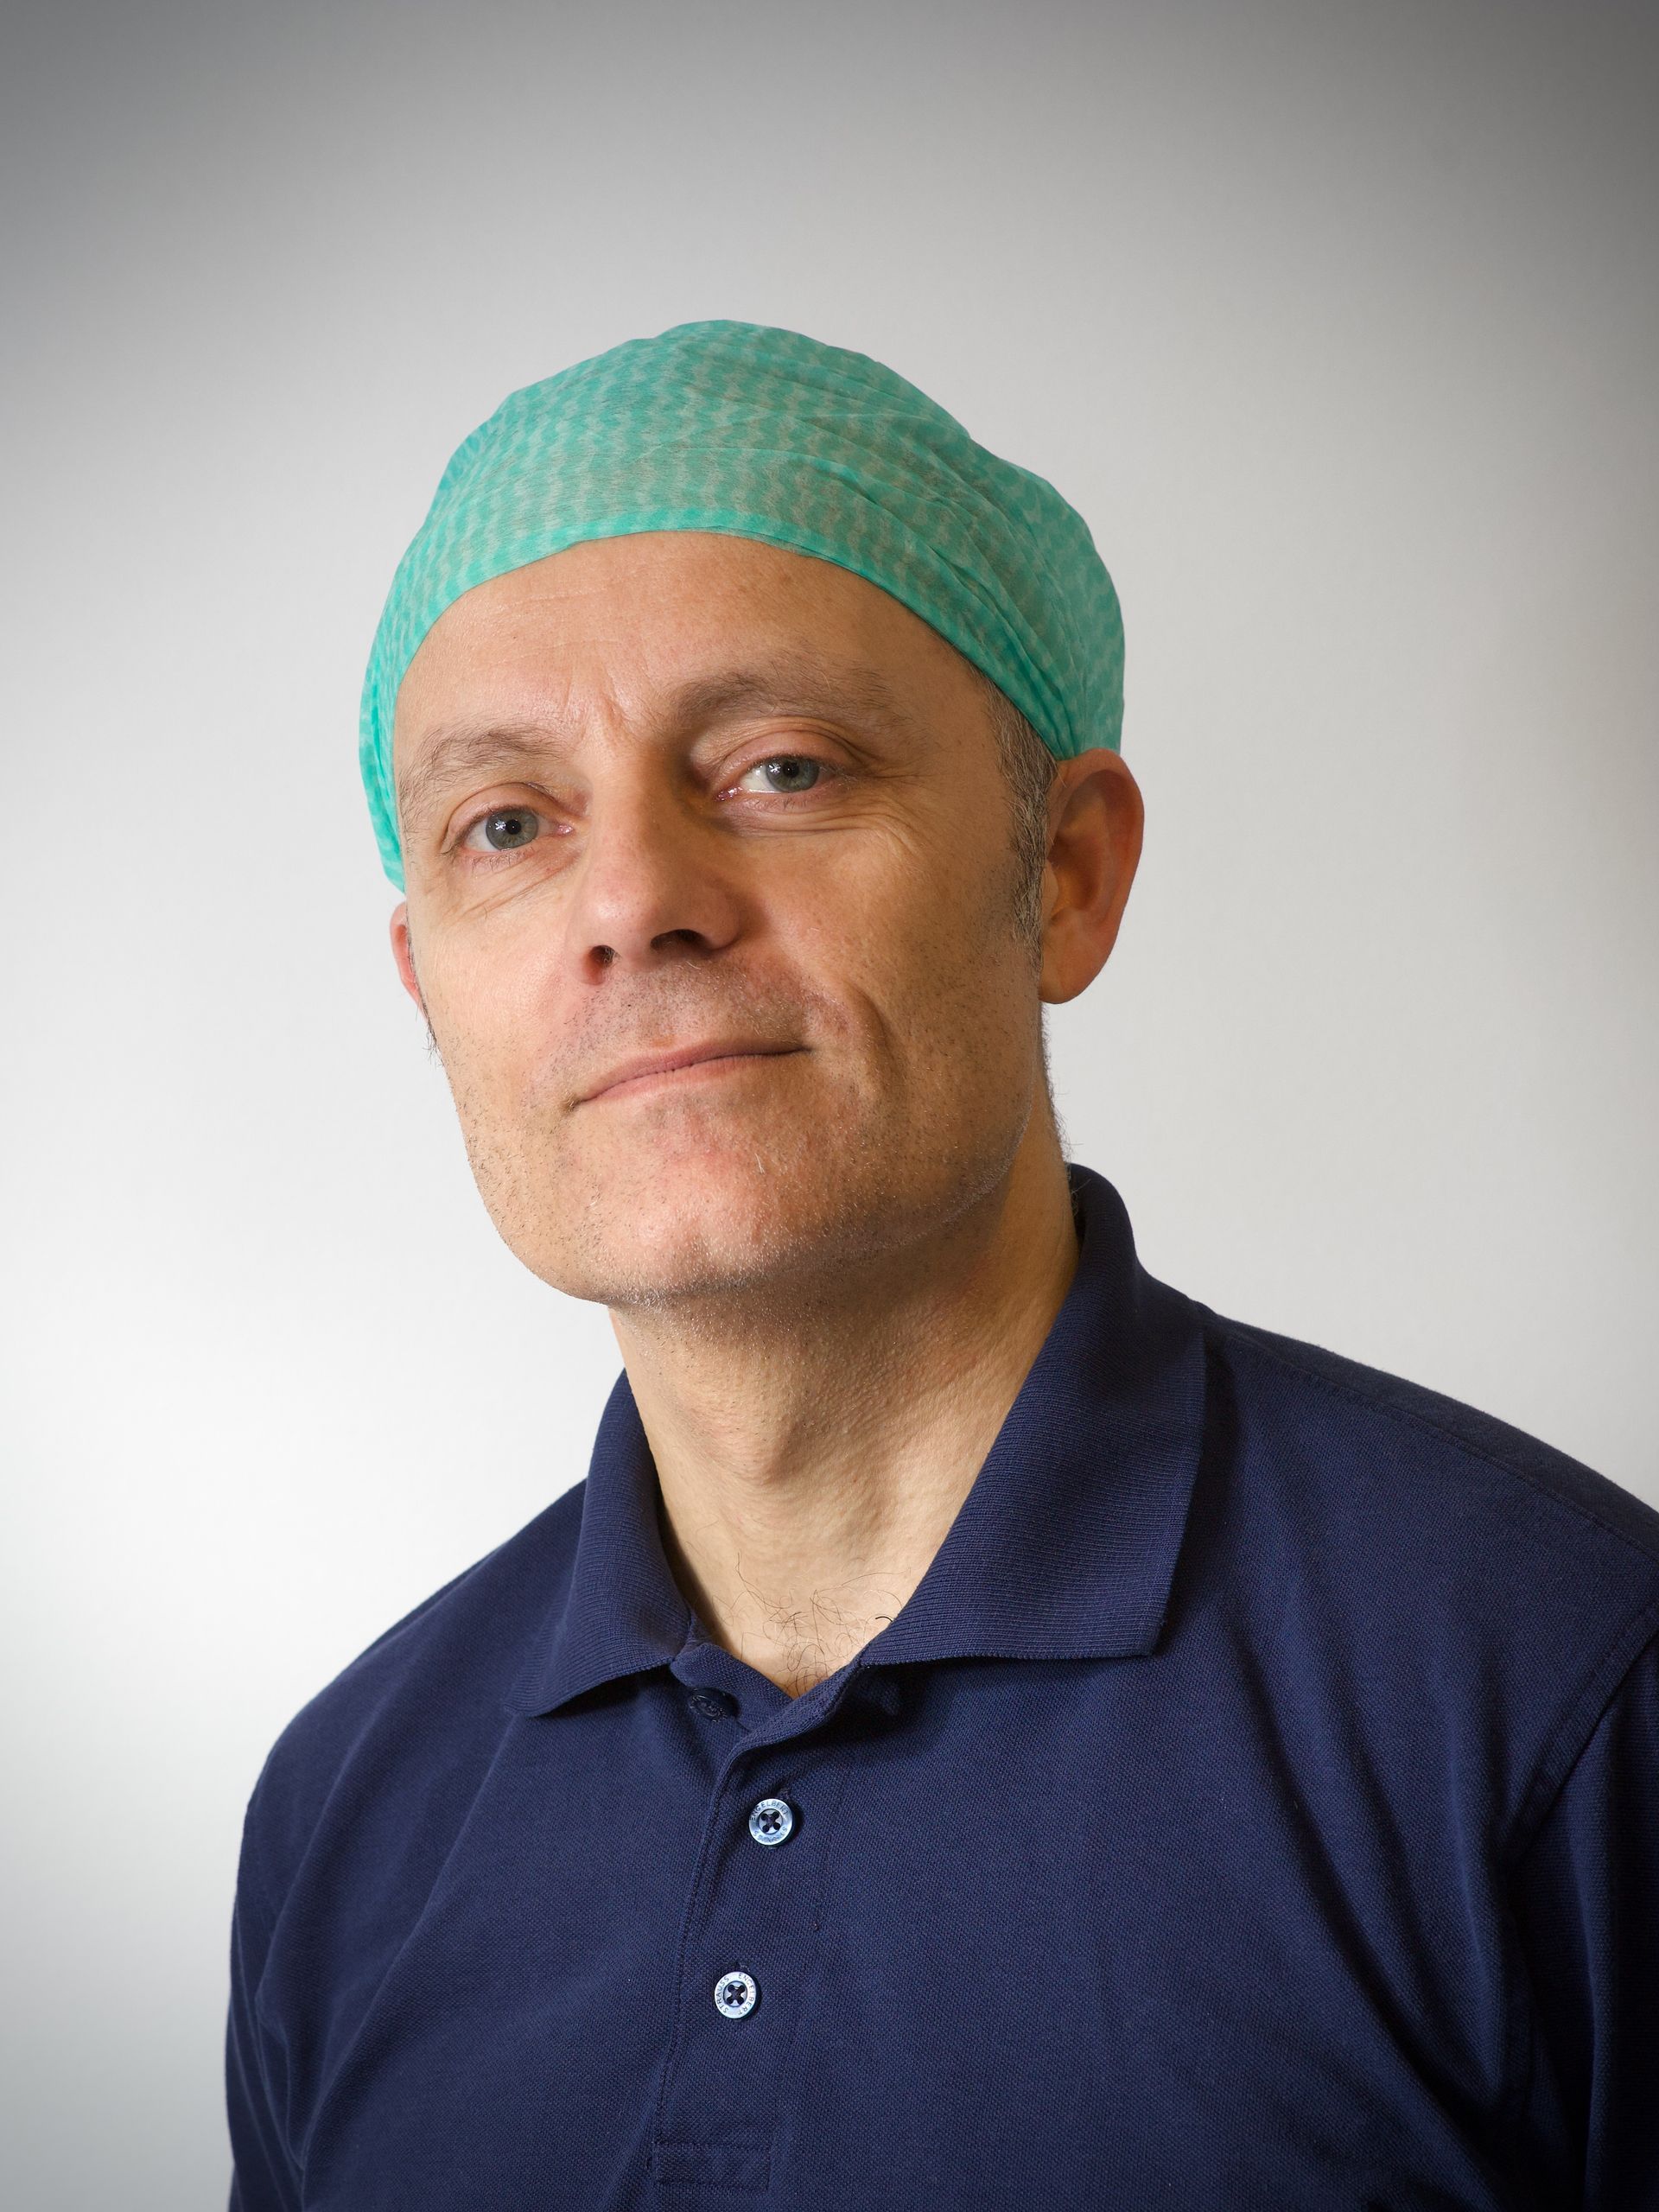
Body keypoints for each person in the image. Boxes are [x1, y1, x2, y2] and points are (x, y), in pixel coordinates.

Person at [225, 321, 1659, 2210]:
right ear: (428, 983)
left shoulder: (1559, 1694)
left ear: (1064, 872)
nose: (633, 900)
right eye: (508, 823)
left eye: (781, 767)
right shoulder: (348, 1816)